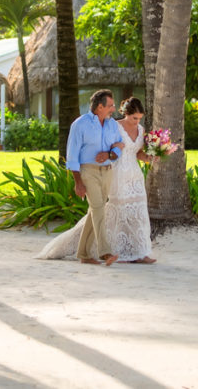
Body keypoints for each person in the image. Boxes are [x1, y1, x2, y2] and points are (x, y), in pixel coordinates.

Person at [38, 96, 156, 265]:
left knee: (137, 212)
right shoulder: (112, 125)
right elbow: (90, 151)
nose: (137, 121)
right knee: (106, 211)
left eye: (139, 118)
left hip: (133, 176)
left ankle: (140, 252)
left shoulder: (136, 128)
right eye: (134, 118)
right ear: (126, 113)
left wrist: (151, 157)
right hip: (114, 173)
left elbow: (136, 153)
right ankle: (109, 252)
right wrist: (80, 179)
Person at [66, 89, 124, 266]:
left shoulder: (112, 124)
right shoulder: (80, 124)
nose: (113, 109)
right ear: (100, 107)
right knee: (98, 209)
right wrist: (78, 182)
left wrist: (110, 154)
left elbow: (120, 144)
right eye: (111, 105)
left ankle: (84, 254)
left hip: (107, 171)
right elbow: (72, 155)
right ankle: (105, 252)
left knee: (95, 210)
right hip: (88, 172)